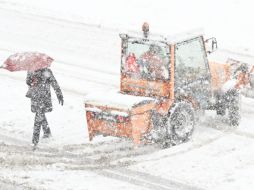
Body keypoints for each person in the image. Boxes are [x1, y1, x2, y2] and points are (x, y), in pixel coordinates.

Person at [26, 68, 63, 149]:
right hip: (35, 97)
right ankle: (47, 132)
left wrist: (59, 94)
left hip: (44, 97)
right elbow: (28, 82)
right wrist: (32, 81)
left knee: (39, 116)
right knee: (40, 114)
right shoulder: (31, 70)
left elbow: (54, 83)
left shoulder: (46, 71)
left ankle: (34, 141)